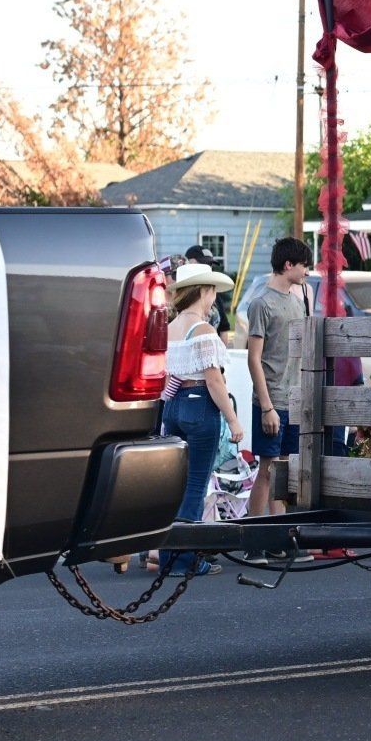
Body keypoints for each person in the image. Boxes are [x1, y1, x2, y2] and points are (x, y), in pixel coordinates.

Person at [155, 263, 241, 576]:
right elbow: (214, 380)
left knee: (175, 487)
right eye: (212, 292)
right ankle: (183, 559)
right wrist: (233, 421)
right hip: (200, 404)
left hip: (173, 406)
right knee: (194, 486)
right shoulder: (202, 330)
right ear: (203, 291)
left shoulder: (170, 327)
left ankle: (168, 556)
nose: (214, 298)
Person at [245, 237, 312, 517]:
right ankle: (253, 536)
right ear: (288, 265)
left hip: (293, 399)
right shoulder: (262, 304)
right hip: (271, 401)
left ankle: (277, 534)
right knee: (267, 468)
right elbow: (253, 358)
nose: (307, 270)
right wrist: (267, 406)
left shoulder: (298, 302)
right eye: (303, 265)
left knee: (283, 470)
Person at [182, 244, 231, 334]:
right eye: (203, 263)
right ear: (189, 263)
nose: (207, 267)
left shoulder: (215, 295)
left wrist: (221, 347)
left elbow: (224, 329)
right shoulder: (181, 296)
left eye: (210, 264)